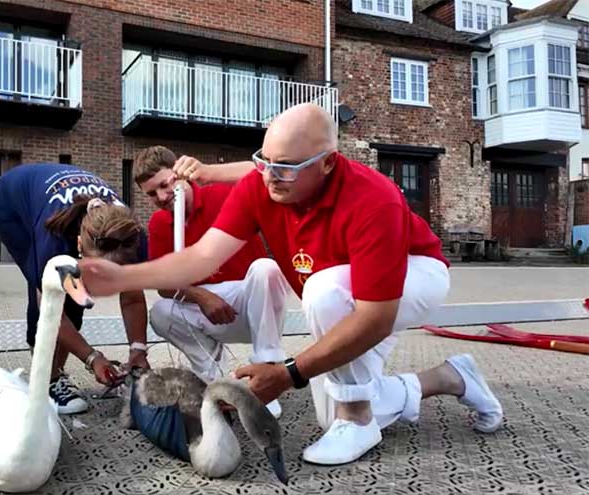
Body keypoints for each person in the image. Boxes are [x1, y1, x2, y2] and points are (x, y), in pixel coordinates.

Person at [80, 103, 503, 465]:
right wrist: (124, 276)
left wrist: (288, 374)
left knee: (323, 296)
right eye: (264, 162)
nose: (269, 177)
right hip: (347, 289)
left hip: (413, 275)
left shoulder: (375, 199)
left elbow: (376, 317)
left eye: (285, 168)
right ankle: (451, 378)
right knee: (328, 412)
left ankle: (357, 421)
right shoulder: (264, 185)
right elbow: (200, 257)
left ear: (328, 162)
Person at [133, 145, 289, 417]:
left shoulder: (224, 192)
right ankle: (217, 381)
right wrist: (201, 297)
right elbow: (163, 285)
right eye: (151, 193)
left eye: (165, 184)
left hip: (249, 299)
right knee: (160, 313)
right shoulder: (159, 223)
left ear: (180, 173)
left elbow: (266, 171)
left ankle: (266, 374)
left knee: (266, 268)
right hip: (207, 304)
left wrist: (212, 171)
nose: (161, 196)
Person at [0, 163, 150, 414]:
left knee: (76, 295)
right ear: (77, 245)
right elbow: (50, 309)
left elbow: (132, 299)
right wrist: (92, 358)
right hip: (11, 202)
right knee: (59, 293)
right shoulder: (54, 237)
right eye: (95, 270)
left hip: (59, 189)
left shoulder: (133, 239)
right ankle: (50, 379)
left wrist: (137, 350)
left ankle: (55, 372)